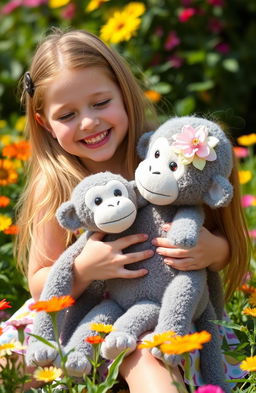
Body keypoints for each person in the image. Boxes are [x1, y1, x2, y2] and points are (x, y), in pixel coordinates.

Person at [1, 28, 250, 392]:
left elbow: (226, 241)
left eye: (101, 103)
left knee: (148, 361)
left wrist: (211, 250)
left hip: (159, 315)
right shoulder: (56, 185)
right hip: (77, 321)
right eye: (67, 114)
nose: (88, 122)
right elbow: (40, 280)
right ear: (45, 124)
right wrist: (84, 269)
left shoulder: (164, 158)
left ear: (124, 92)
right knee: (11, 363)